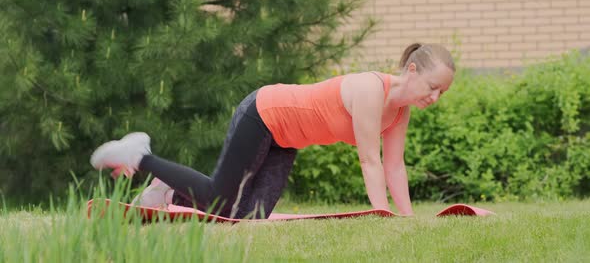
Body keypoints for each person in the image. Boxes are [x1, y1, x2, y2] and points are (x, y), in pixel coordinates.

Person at [90, 43, 455, 219]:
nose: (435, 97)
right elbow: (369, 160)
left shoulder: (400, 112)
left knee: (246, 219)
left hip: (286, 140)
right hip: (264, 113)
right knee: (220, 198)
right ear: (411, 69)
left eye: (442, 92)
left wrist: (407, 222)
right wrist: (381, 216)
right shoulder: (370, 89)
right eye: (432, 86)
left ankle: (170, 190)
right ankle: (140, 155)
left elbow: (394, 167)